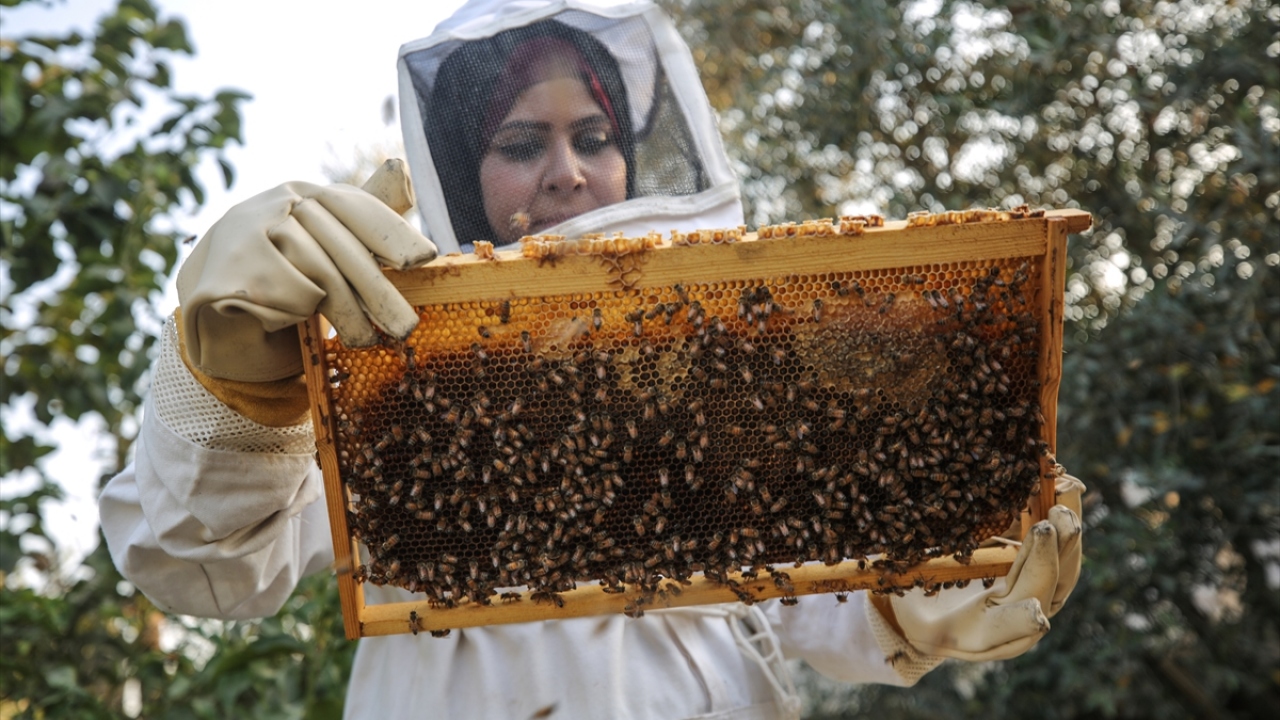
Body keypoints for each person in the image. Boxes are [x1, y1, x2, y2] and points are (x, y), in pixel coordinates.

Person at [98, 1, 1084, 718]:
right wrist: (237, 390)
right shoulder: (395, 383)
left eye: (593, 135)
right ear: (460, 172)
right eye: (522, 142)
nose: (568, 171)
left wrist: (961, 569)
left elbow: (827, 601)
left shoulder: (726, 369)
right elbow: (198, 566)